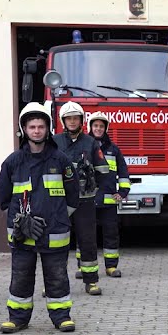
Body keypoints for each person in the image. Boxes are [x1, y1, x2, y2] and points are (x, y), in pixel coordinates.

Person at [0, 103, 79, 334]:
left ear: (48, 129)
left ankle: (62, 317)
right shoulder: (13, 162)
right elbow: (3, 198)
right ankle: (18, 319)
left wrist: (60, 219)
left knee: (57, 276)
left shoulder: (61, 160)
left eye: (41, 126)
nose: (36, 131)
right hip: (22, 233)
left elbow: (73, 198)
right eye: (32, 126)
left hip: (55, 231)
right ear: (24, 129)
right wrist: (17, 220)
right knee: (21, 277)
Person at [53, 101, 116, 295]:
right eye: (69, 118)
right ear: (63, 120)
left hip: (85, 201)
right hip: (59, 202)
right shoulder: (54, 142)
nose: (72, 121)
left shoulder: (90, 142)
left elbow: (103, 170)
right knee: (56, 245)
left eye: (76, 118)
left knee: (87, 241)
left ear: (81, 120)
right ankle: (54, 284)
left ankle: (91, 281)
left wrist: (97, 187)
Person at [86, 111, 131, 278]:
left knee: (111, 234)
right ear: (90, 127)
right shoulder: (84, 146)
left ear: (105, 128)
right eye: (95, 125)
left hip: (109, 201)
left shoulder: (113, 150)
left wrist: (123, 191)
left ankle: (111, 266)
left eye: (101, 126)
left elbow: (124, 172)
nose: (98, 129)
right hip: (87, 201)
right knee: (86, 235)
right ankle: (83, 266)